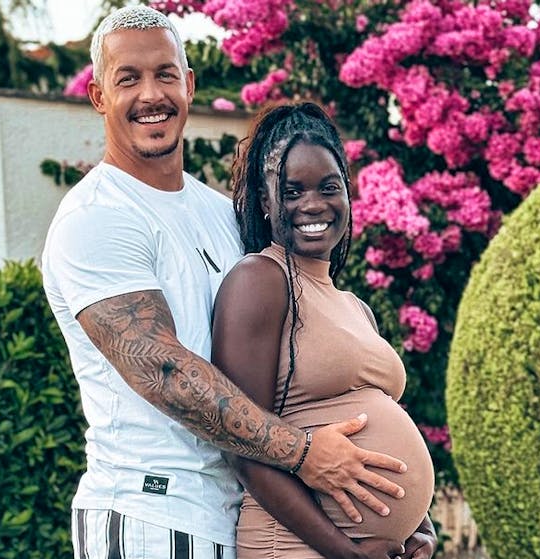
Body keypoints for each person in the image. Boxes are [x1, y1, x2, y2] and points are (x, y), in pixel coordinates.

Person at [40, 5, 434, 559]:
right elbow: (163, 370)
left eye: (165, 74)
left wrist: (407, 516)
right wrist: (303, 453)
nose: (151, 94)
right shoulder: (98, 216)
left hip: (229, 516)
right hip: (151, 514)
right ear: (99, 96)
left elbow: (293, 365)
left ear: (189, 84)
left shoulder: (220, 214)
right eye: (128, 79)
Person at [211, 102, 436, 559]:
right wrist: (344, 553)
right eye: (291, 192)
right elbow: (241, 443)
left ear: (347, 195)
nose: (312, 204)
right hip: (291, 544)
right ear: (266, 203)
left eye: (329, 187)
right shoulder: (260, 279)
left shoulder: (357, 308)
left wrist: (419, 526)